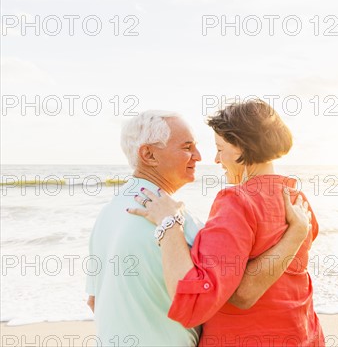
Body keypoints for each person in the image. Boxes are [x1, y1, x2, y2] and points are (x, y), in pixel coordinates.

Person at [87, 110, 312, 346]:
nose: (199, 156)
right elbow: (212, 297)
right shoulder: (177, 222)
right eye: (187, 147)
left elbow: (95, 301)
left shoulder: (106, 215)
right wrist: (295, 235)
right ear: (149, 154)